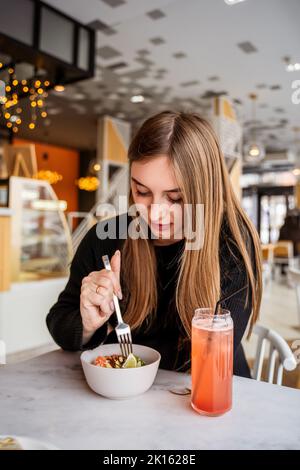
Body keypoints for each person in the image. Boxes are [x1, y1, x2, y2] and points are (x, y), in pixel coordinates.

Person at [47, 111, 262, 377]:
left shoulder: (232, 244)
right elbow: (60, 327)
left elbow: (209, 357)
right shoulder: (105, 237)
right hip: (126, 394)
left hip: (210, 393)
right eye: (142, 192)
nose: (155, 213)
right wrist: (89, 324)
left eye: (175, 197)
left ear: (206, 191)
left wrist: (115, 339)